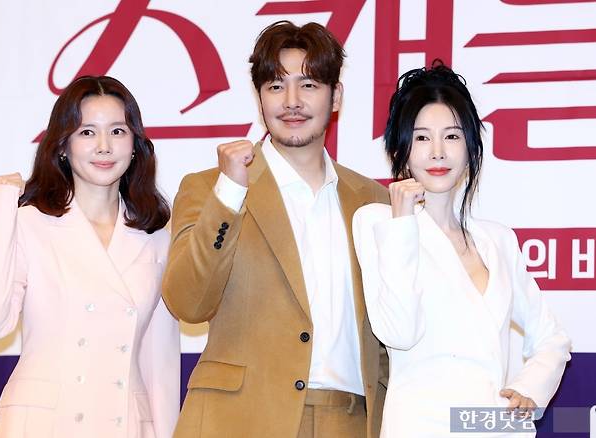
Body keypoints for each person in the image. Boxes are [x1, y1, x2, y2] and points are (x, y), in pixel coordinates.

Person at [162, 21, 390, 438]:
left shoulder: (374, 201)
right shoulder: (210, 188)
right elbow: (188, 303)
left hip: (350, 420)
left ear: (336, 96)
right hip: (239, 421)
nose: (291, 102)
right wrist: (230, 193)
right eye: (275, 86)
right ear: (260, 98)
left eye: (309, 85)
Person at [353, 62, 571, 437]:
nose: (438, 152)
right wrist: (402, 222)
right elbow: (399, 333)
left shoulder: (498, 240)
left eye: (452, 136)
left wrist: (529, 390)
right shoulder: (378, 222)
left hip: (492, 427)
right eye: (422, 138)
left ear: (470, 147)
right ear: (401, 149)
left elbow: (552, 338)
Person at [0, 76, 180, 438]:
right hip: (41, 424)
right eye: (87, 132)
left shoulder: (157, 235)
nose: (104, 146)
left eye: (117, 131)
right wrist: (3, 209)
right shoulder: (29, 222)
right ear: (63, 145)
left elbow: (160, 362)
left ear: (134, 145)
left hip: (126, 424)